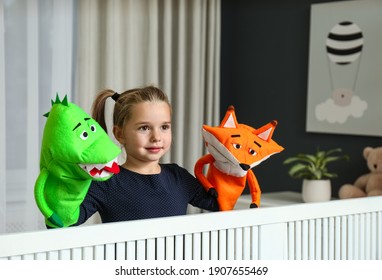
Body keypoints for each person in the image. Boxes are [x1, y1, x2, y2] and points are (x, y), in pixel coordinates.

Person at [74, 85, 219, 225]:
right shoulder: (105, 182)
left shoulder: (179, 177)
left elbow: (219, 203)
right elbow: (64, 222)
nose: (156, 137)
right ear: (120, 134)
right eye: (144, 128)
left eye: (164, 127)